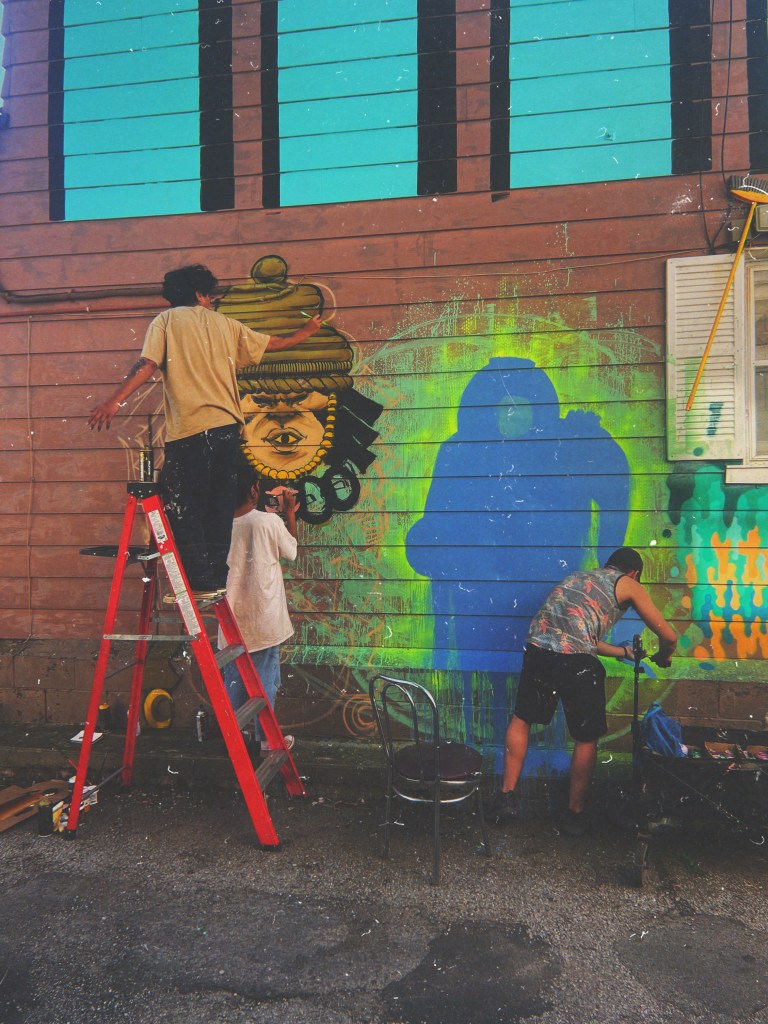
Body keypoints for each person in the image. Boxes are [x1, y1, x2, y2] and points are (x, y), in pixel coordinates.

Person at [87, 264, 321, 597]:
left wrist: (114, 402)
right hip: (227, 430)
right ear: (200, 294)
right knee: (219, 505)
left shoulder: (165, 322)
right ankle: (213, 579)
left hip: (192, 430)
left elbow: (148, 364)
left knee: (181, 503)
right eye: (210, 296)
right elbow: (275, 345)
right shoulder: (227, 325)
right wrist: (307, 331)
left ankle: (197, 582)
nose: (212, 302)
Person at [488, 547, 677, 836]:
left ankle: (506, 797)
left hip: (539, 647)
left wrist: (621, 652)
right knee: (586, 735)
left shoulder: (580, 577)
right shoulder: (628, 583)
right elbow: (669, 635)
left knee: (522, 717)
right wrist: (665, 655)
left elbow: (578, 633)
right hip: (575, 660)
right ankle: (574, 814)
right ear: (634, 572)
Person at [219, 471, 298, 753]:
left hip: (231, 619)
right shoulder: (268, 522)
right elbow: (292, 551)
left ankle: (232, 737)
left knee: (234, 679)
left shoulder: (219, 525)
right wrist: (289, 512)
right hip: (264, 619)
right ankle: (266, 740)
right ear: (254, 491)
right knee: (265, 683)